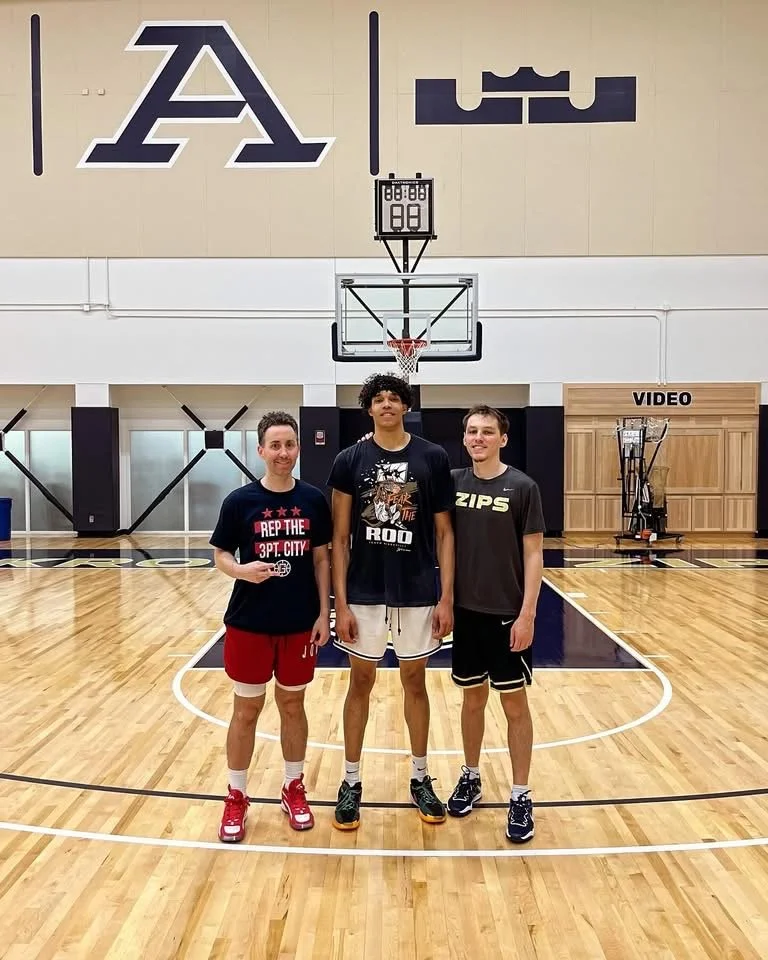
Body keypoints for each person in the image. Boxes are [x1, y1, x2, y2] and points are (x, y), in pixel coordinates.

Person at [327, 373, 455, 830]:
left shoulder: (432, 457)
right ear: (368, 408)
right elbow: (339, 538)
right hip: (364, 592)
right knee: (359, 684)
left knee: (415, 684)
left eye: (393, 398)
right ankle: (351, 782)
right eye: (378, 399)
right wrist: (339, 604)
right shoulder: (349, 459)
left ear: (405, 406)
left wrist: (447, 597)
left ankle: (420, 777)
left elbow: (444, 532)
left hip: (418, 592)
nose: (386, 405)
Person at [209, 411, 332, 841]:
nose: (283, 453)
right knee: (246, 710)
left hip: (299, 623)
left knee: (293, 707)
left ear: (298, 449)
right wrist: (241, 571)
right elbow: (220, 554)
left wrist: (323, 613)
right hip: (250, 623)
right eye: (275, 445)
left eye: (290, 445)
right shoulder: (239, 501)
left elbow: (321, 559)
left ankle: (292, 787)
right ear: (260, 450)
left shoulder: (314, 499)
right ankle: (236, 796)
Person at [446, 404, 545, 843]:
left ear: (503, 439)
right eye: (472, 431)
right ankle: (471, 776)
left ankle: (521, 794)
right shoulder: (452, 483)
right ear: (465, 438)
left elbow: (534, 554)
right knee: (472, 701)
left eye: (488, 431)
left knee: (514, 705)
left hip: (508, 615)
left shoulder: (522, 487)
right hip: (467, 613)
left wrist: (527, 614)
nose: (479, 438)